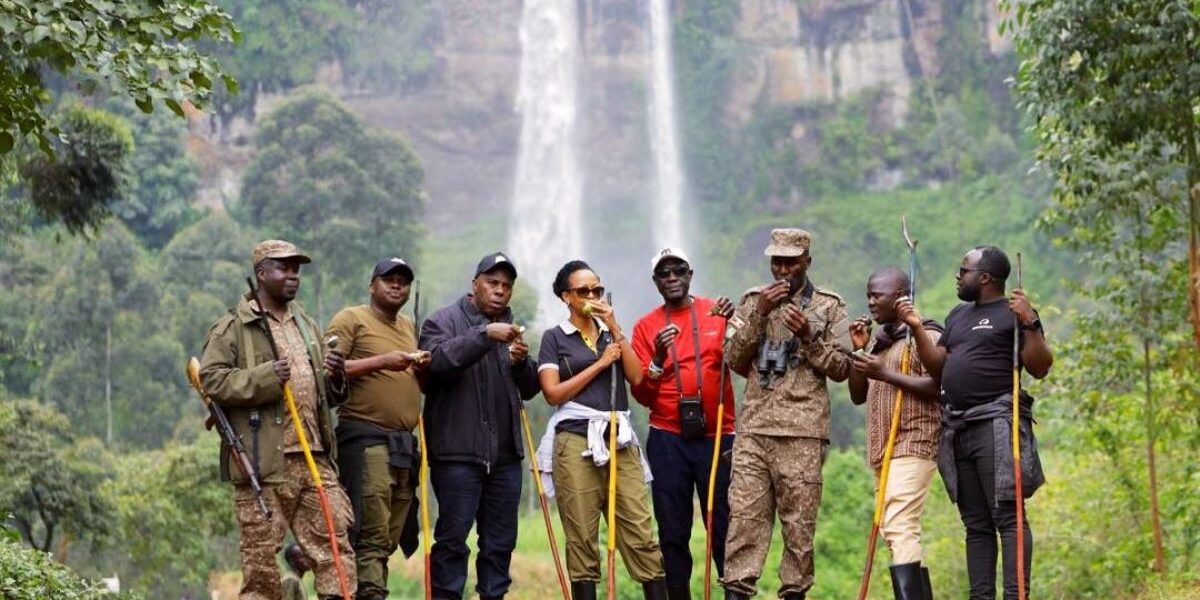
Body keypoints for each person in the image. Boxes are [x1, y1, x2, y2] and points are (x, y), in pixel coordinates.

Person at [199, 239, 355, 600]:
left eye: (296, 269)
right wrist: (267, 377)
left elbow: (326, 395)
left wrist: (336, 376)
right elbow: (212, 379)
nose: (293, 275)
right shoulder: (232, 327)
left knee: (337, 552)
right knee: (262, 570)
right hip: (264, 464)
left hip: (314, 457)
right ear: (261, 273)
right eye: (283, 268)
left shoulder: (307, 325)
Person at [898, 246, 1052, 600]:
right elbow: (939, 367)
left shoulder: (1014, 312)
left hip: (996, 423)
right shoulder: (958, 315)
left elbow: (1040, 367)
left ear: (985, 278)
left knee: (1008, 517)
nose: (957, 275)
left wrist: (1030, 320)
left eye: (963, 270)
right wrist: (918, 328)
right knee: (976, 525)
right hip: (958, 429)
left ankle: (1017, 595)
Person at [720, 228, 851, 600]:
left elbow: (842, 368)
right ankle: (738, 591)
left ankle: (794, 593)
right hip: (754, 432)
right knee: (744, 523)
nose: (782, 270)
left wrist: (809, 336)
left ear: (807, 262)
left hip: (804, 433)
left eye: (790, 262)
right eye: (776, 261)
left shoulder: (830, 306)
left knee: (799, 530)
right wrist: (760, 313)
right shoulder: (752, 301)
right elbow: (733, 359)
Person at [535, 260, 667, 600]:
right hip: (575, 440)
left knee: (640, 529)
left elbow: (637, 378)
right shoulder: (554, 338)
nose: (592, 296)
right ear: (567, 297)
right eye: (583, 291)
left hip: (619, 440)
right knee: (581, 533)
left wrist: (615, 328)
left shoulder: (612, 335)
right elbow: (552, 394)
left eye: (596, 289)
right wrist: (599, 364)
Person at [418, 252, 540, 600]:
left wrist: (520, 364)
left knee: (499, 545)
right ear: (475, 284)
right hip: (457, 456)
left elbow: (530, 389)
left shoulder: (512, 327)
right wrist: (484, 334)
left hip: (504, 459)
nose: (500, 290)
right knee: (453, 541)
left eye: (506, 285)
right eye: (492, 282)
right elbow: (438, 361)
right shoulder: (441, 321)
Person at [629, 248, 736, 600]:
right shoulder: (645, 327)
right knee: (672, 529)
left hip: (718, 434)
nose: (672, 277)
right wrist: (658, 356)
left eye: (678, 270)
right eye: (664, 273)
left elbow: (746, 362)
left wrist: (738, 324)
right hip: (667, 437)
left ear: (691, 273)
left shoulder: (717, 312)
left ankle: (734, 593)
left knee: (723, 524)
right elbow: (643, 393)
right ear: (655, 282)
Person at [325, 257, 430, 600]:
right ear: (372, 285)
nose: (397, 285)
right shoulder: (352, 319)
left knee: (389, 533)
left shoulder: (409, 327)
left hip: (403, 446)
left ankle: (367, 590)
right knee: (369, 531)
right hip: (366, 438)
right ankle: (368, 594)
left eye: (403, 280)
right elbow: (327, 368)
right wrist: (384, 361)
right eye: (389, 279)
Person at [847, 268, 943, 600]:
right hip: (883, 447)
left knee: (901, 525)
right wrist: (860, 352)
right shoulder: (881, 342)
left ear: (901, 295)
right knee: (892, 530)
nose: (871, 301)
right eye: (869, 294)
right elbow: (858, 395)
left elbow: (939, 385)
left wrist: (885, 373)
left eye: (878, 295)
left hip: (914, 440)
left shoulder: (924, 335)